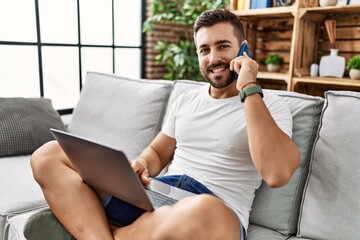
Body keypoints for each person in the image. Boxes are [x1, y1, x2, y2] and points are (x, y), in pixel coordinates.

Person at [30, 9, 300, 240]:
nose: (213, 58)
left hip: (211, 216)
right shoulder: (187, 100)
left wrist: (249, 87)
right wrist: (142, 164)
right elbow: (158, 153)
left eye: (223, 46)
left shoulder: (268, 104)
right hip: (157, 197)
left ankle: (95, 229)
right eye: (204, 50)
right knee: (48, 154)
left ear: (243, 49)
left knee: (205, 209)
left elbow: (277, 174)